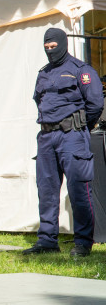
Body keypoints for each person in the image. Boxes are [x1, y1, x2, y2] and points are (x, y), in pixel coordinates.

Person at [24, 28, 104, 258]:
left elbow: (95, 104)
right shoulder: (44, 73)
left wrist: (79, 126)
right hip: (46, 137)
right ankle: (47, 240)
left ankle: (82, 243)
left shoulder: (81, 70)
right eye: (46, 47)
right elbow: (40, 101)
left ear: (63, 44)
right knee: (47, 190)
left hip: (72, 136)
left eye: (54, 46)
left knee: (78, 189)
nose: (51, 51)